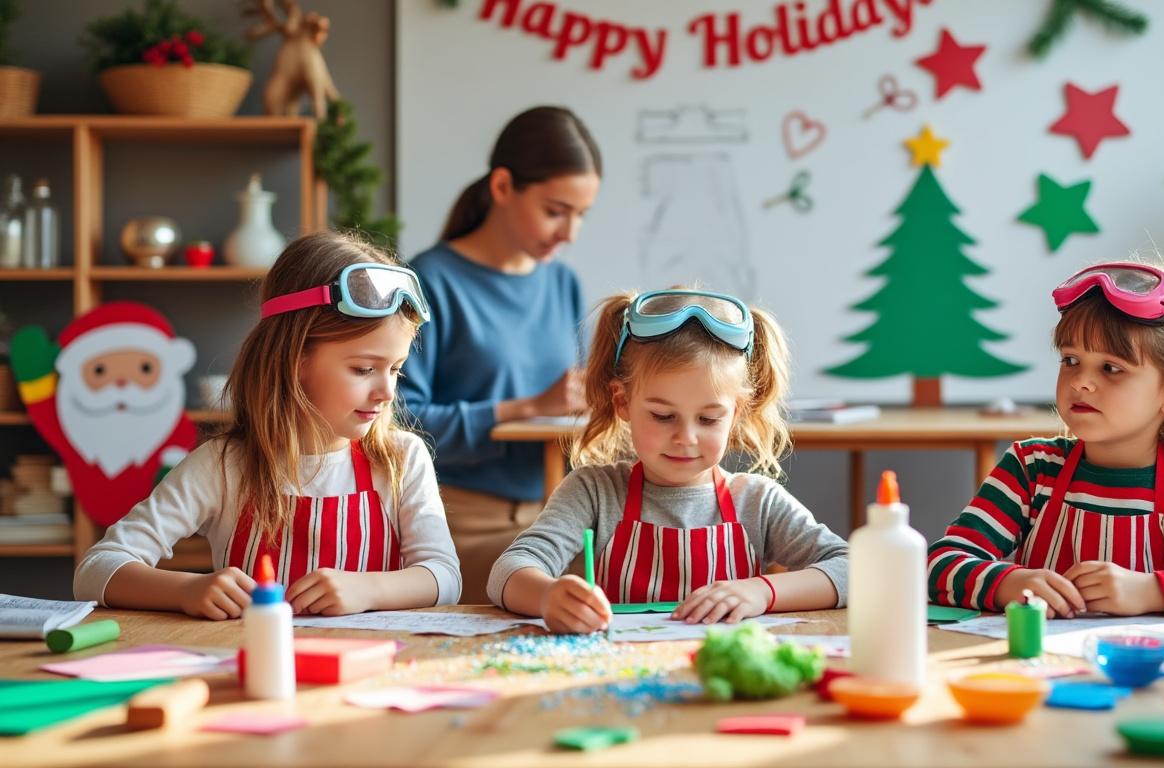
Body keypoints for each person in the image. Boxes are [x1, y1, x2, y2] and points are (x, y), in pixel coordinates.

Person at [74, 232, 462, 618]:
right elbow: (96, 570)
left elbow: (445, 578)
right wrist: (187, 589)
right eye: (363, 369)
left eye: (395, 369)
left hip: (372, 658)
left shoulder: (400, 459)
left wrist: (370, 588)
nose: (387, 392)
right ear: (294, 360)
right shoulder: (224, 466)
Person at [928, 260, 1164, 617]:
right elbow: (938, 564)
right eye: (1071, 360)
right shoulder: (1031, 469)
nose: (1081, 381)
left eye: (1111, 368)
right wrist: (1005, 583)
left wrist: (1150, 591)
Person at [488, 289, 849, 632]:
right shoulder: (594, 491)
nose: (686, 437)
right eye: (663, 416)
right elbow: (507, 571)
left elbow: (854, 570)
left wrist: (762, 591)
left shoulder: (758, 502)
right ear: (622, 401)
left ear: (736, 412)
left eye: (708, 418)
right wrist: (549, 596)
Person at [400, 106, 601, 603]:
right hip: (459, 524)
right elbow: (400, 423)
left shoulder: (563, 283)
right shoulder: (431, 280)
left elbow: (574, 408)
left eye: (581, 215)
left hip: (558, 517)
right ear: (503, 186)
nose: (570, 234)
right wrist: (528, 407)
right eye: (556, 211)